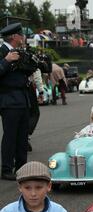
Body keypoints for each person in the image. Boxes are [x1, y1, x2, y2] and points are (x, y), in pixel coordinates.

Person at [0, 23, 36, 181]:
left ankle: (22, 167)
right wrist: (6, 60)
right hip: (8, 100)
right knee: (10, 136)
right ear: (14, 37)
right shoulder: (2, 52)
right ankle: (6, 168)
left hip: (23, 98)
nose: (23, 38)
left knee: (22, 136)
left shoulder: (21, 52)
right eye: (21, 35)